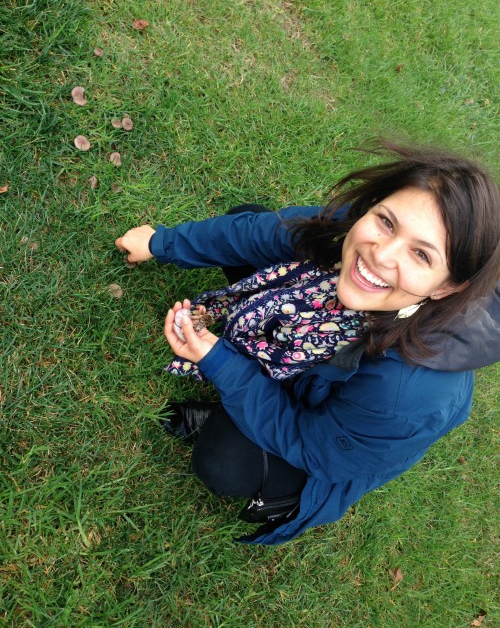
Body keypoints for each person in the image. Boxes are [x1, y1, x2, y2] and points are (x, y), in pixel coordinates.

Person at [115, 140, 500, 545]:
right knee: (246, 218)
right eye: (387, 221)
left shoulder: (407, 394)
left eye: (421, 255)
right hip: (317, 369)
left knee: (223, 462)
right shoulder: (351, 229)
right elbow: (256, 234)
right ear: (372, 205)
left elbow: (314, 447)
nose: (380, 254)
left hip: (323, 445)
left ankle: (258, 453)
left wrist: (220, 363)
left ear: (447, 289)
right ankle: (265, 365)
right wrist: (162, 244)